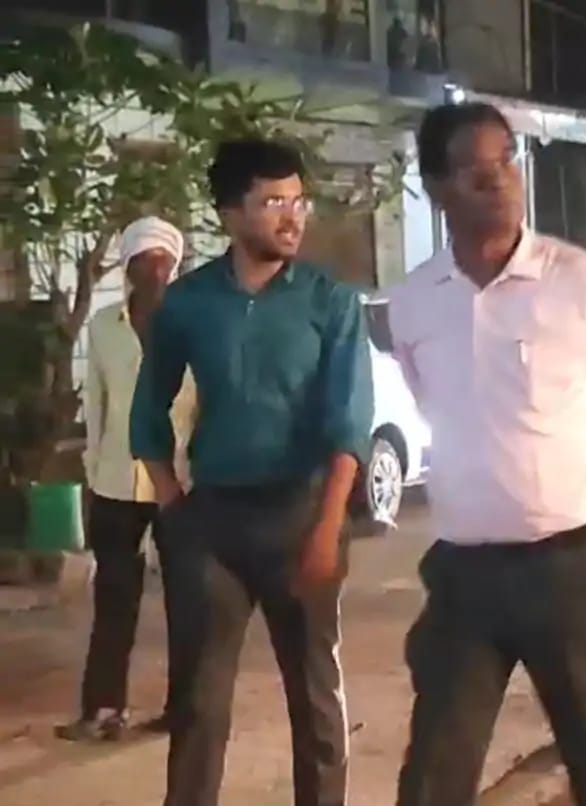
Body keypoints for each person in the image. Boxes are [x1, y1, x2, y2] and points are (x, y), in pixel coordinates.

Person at [390, 102, 586, 806]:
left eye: (507, 161)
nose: (499, 181)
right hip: (465, 574)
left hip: (575, 567)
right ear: (436, 188)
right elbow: (431, 402)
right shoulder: (415, 301)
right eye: (475, 171)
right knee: (434, 772)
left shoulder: (581, 283)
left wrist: (572, 503)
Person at [130, 139, 373, 806]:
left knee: (314, 696)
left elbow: (350, 423)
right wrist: (173, 505)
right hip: (213, 525)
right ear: (230, 214)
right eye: (272, 203)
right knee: (199, 703)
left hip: (304, 516)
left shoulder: (331, 302)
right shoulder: (189, 303)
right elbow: (148, 409)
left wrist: (328, 528)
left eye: (298, 202)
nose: (292, 217)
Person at [56, 217, 195, 742]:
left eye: (163, 262)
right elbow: (96, 402)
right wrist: (94, 472)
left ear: (173, 267)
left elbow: (205, 400)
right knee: (115, 599)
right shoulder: (103, 326)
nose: (155, 272)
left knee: (188, 600)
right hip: (116, 482)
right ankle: (104, 710)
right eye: (144, 262)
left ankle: (186, 710)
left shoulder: (193, 324)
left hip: (179, 482)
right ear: (129, 268)